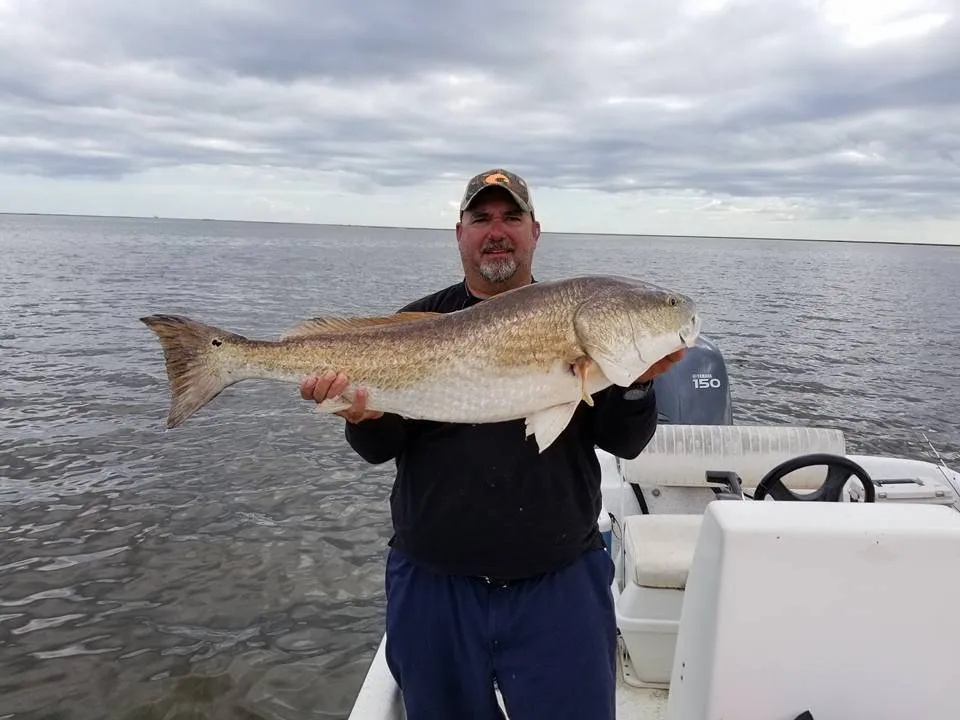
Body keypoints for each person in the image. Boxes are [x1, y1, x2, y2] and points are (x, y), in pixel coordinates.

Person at [300, 169, 684, 719]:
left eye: (511, 217)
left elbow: (626, 442)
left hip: (560, 584)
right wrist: (363, 416)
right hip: (435, 586)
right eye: (482, 218)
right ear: (460, 233)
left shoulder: (585, 333)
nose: (496, 230)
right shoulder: (416, 321)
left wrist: (640, 379)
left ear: (535, 232)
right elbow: (380, 449)